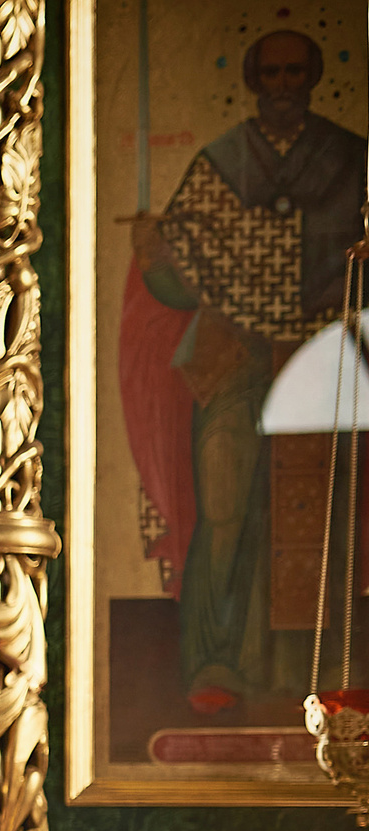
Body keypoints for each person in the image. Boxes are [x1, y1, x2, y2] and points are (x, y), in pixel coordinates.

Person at [119, 28, 368, 714]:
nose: (284, 85)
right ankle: (216, 664)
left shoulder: (353, 160)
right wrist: (153, 254)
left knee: (328, 515)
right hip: (233, 359)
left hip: (325, 359)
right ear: (255, 82)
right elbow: (178, 280)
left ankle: (324, 671)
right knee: (226, 505)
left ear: (314, 79)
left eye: (297, 72)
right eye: (272, 73)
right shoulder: (220, 163)